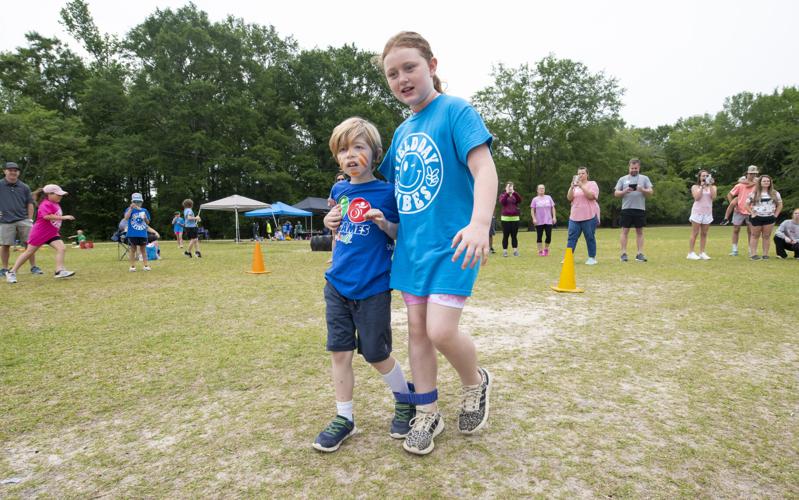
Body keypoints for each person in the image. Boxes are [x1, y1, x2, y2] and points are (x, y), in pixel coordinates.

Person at [378, 31, 496, 455]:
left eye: (409, 67)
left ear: (432, 65)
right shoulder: (400, 133)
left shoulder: (456, 112)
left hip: (455, 245)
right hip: (411, 250)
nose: (402, 78)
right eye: (392, 74)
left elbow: (484, 169)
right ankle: (427, 412)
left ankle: (475, 383)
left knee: (441, 331)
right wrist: (348, 209)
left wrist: (480, 222)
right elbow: (390, 194)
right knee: (416, 335)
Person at [314, 117, 411, 453]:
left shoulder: (388, 192)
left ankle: (405, 400)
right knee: (340, 353)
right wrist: (328, 223)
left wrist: (384, 222)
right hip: (337, 284)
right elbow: (337, 231)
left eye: (358, 147)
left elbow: (402, 235)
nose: (350, 155)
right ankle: (345, 418)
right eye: (343, 150)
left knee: (376, 353)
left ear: (374, 152)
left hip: (373, 286)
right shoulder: (339, 189)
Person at [6, 184, 75, 283]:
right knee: (29, 252)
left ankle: (59, 271)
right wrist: (64, 217)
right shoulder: (45, 204)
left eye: (61, 194)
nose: (60, 196)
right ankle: (11, 272)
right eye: (58, 194)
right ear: (49, 194)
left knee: (62, 248)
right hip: (40, 233)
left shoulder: (55, 203)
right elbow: (46, 216)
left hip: (51, 233)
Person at [0, 162, 43, 277]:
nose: (13, 172)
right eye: (10, 170)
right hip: (5, 220)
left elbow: (30, 204)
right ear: (5, 171)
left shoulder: (24, 187)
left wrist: (29, 219)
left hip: (23, 219)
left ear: (18, 172)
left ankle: (34, 267)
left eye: (15, 170)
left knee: (30, 244)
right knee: (5, 245)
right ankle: (4, 269)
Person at [614, 158, 654, 262]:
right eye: (632, 168)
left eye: (636, 168)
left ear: (639, 167)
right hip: (626, 208)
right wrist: (624, 191)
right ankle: (623, 253)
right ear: (629, 167)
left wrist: (643, 190)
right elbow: (616, 193)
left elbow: (650, 192)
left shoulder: (645, 178)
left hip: (640, 208)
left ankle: (640, 253)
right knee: (624, 231)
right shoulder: (622, 179)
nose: (634, 170)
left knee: (639, 231)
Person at [566, 167, 600, 265]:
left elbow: (591, 196)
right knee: (571, 237)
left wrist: (581, 186)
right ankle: (568, 257)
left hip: (588, 216)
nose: (581, 175)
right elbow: (569, 198)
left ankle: (592, 257)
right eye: (579, 174)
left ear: (587, 174)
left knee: (590, 237)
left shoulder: (592, 184)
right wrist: (571, 187)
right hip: (574, 216)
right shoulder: (575, 186)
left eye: (583, 173)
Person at [746, 175, 782, 260]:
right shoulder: (754, 193)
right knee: (755, 235)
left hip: (769, 217)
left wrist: (775, 215)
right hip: (757, 217)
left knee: (766, 236)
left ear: (770, 183)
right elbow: (746, 205)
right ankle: (753, 254)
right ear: (760, 183)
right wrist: (752, 213)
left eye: (768, 181)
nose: (766, 182)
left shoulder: (775, 193)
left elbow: (780, 205)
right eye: (764, 181)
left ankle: (765, 254)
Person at [726, 166, 759, 255]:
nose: (752, 175)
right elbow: (729, 194)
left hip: (752, 210)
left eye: (754, 173)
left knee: (751, 231)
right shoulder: (740, 185)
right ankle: (734, 250)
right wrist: (733, 204)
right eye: (751, 173)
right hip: (739, 210)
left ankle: (750, 250)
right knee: (736, 229)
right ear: (747, 174)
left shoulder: (758, 184)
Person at [687, 169, 717, 260]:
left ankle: (702, 252)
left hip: (707, 213)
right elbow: (697, 197)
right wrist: (702, 187)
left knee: (704, 233)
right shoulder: (695, 187)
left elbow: (713, 197)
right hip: (697, 212)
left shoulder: (713, 187)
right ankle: (691, 253)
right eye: (703, 176)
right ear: (699, 177)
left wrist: (710, 185)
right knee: (695, 233)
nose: (705, 177)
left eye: (706, 176)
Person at [124, 193, 153, 272]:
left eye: (139, 202)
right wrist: (130, 209)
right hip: (132, 233)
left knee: (143, 250)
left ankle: (146, 265)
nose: (137, 203)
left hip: (142, 233)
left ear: (141, 202)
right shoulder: (129, 209)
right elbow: (126, 218)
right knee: (133, 249)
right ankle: (132, 266)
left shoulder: (144, 210)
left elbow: (148, 222)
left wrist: (145, 218)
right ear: (132, 202)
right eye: (135, 202)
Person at [530, 184, 556, 256]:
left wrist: (554, 217)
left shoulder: (549, 197)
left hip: (548, 220)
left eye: (543, 188)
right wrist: (534, 218)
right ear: (537, 190)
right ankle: (540, 251)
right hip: (539, 221)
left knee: (548, 236)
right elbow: (532, 210)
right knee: (539, 236)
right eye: (540, 188)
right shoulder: (535, 199)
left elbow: (552, 208)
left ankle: (546, 249)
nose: (542, 190)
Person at [327, 174, 347, 263]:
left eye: (342, 179)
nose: (340, 180)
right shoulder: (335, 188)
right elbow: (330, 202)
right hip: (337, 215)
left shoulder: (350, 186)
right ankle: (333, 257)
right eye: (338, 179)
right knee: (335, 236)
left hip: (348, 216)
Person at [498, 181, 522, 257]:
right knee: (505, 236)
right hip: (505, 219)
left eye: (511, 186)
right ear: (505, 188)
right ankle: (505, 251)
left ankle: (515, 251)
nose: (510, 188)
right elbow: (502, 202)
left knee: (514, 236)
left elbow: (520, 200)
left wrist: (514, 193)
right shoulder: (502, 195)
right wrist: (507, 193)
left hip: (515, 219)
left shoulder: (515, 195)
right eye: (508, 187)